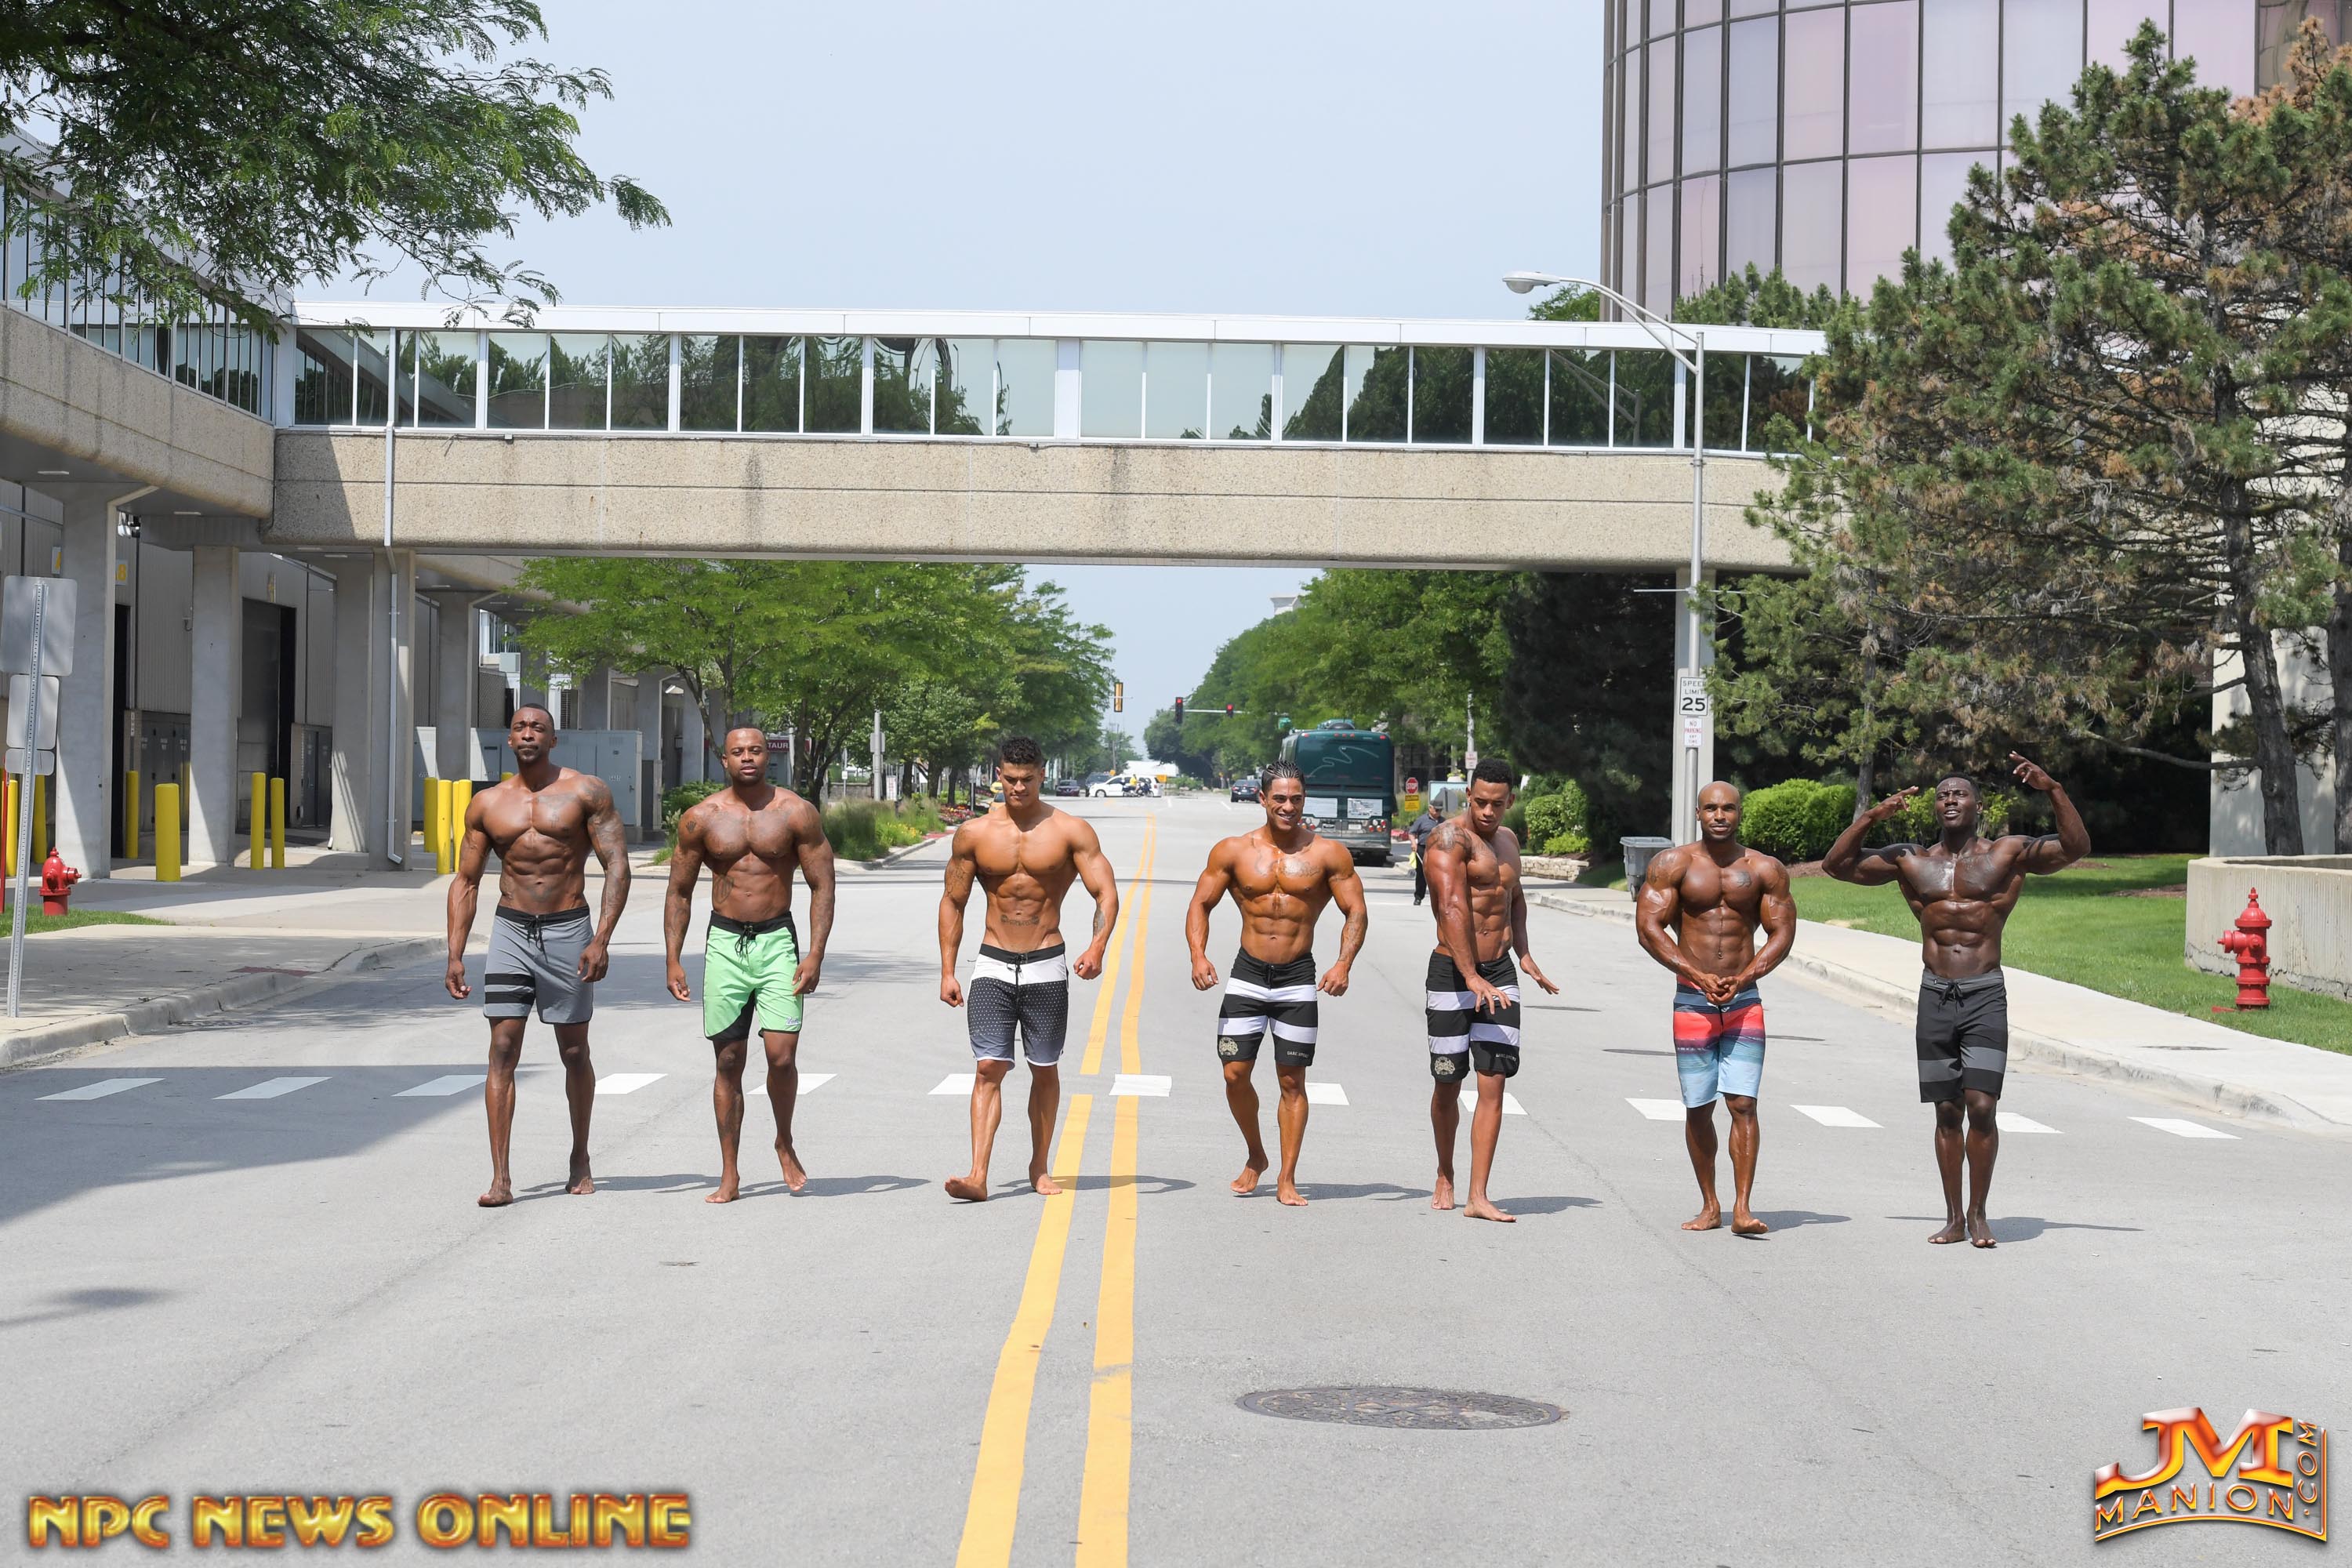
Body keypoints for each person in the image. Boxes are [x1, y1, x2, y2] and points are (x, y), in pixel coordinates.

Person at [1822, 755, 2090, 1249]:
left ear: (1977, 806)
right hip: (1935, 995)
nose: (1950, 800)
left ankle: (1979, 1214)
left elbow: (2075, 848)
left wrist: (2053, 789)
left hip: (1984, 994)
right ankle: (1953, 1218)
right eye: (1943, 795)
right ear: (1935, 807)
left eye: (1959, 794)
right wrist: (1872, 817)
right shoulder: (1911, 859)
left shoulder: (2007, 853)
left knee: (1981, 1107)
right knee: (1947, 1110)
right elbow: (1835, 866)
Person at [445, 705, 632, 1207]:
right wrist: (456, 953)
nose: (528, 734)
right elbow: (466, 881)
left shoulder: (586, 792)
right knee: (502, 1049)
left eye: (538, 728)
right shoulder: (487, 803)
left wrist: (602, 938)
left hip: (568, 929)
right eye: (520, 728)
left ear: (553, 740)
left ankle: (580, 1155)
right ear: (509, 739)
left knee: (573, 1052)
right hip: (510, 931)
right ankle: (501, 1178)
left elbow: (617, 865)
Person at [939, 735, 1119, 1202]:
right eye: (1011, 779)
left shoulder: (1070, 831)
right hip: (993, 962)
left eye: (1027, 779)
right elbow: (954, 901)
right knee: (988, 1067)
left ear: (1042, 774)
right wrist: (948, 969)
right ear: (999, 775)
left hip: (1045, 962)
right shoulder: (974, 834)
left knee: (1044, 1068)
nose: (1018, 788)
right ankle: (978, 1174)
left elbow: (1105, 891)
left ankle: (1039, 1166)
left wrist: (1098, 946)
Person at [664, 727, 837, 1203]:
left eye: (755, 750)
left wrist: (816, 952)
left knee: (782, 1056)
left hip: (777, 941)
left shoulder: (795, 813)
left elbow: (823, 884)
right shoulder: (701, 818)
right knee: (728, 1060)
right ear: (724, 760)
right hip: (724, 942)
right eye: (738, 752)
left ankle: (784, 1140)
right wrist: (673, 958)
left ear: (768, 756)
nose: (747, 758)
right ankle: (730, 1172)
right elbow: (679, 891)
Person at [1185, 760, 1369, 1206]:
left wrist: (1343, 964)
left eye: (1296, 799)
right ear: (1263, 798)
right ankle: (1256, 1154)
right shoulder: (1234, 851)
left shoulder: (1328, 854)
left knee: (1292, 1081)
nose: (1289, 806)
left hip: (1296, 978)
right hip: (1247, 974)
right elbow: (1200, 903)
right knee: (1234, 1074)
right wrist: (1198, 955)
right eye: (1280, 798)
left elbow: (1356, 911)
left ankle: (1287, 1177)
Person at [1634, 782, 1796, 1236]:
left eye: (1728, 808)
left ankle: (1743, 1208)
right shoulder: (1673, 864)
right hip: (1693, 1000)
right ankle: (1710, 1204)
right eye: (1711, 808)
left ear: (1740, 813)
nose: (1719, 816)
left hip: (1744, 1001)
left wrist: (1746, 977)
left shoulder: (1764, 868)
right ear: (1698, 813)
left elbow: (1783, 931)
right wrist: (1695, 973)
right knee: (1699, 1106)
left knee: (1743, 1103)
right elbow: (1649, 928)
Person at [1422, 757, 1559, 1221]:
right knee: (1447, 1082)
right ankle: (1445, 1171)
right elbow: (1451, 907)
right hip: (1452, 972)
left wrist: (1524, 953)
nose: (1487, 811)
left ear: (1510, 801)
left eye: (1496, 804)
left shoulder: (1509, 841)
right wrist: (1470, 975)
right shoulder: (1449, 840)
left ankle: (1478, 1196)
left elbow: (1513, 898)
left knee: (1493, 1081)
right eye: (1479, 801)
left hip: (1499, 973)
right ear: (1468, 795)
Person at [1406, 798, 1443, 906]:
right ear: (1430, 808)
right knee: (1421, 874)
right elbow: (1412, 833)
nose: (1438, 812)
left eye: (1440, 810)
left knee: (1439, 874)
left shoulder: (1444, 821)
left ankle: (1439, 898)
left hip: (1438, 850)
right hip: (1423, 849)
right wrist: (1413, 843)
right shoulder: (1422, 820)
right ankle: (1418, 897)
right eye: (1436, 810)